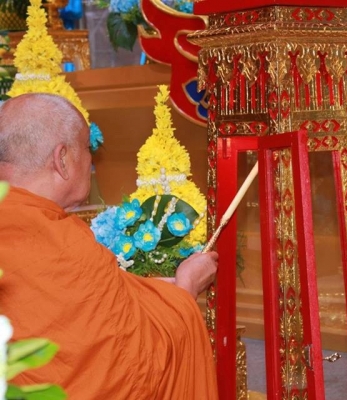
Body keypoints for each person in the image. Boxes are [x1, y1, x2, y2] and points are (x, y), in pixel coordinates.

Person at [0, 93, 219, 399]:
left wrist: (155, 289)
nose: (90, 161)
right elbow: (133, 368)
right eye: (87, 149)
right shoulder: (65, 246)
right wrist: (186, 289)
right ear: (62, 160)